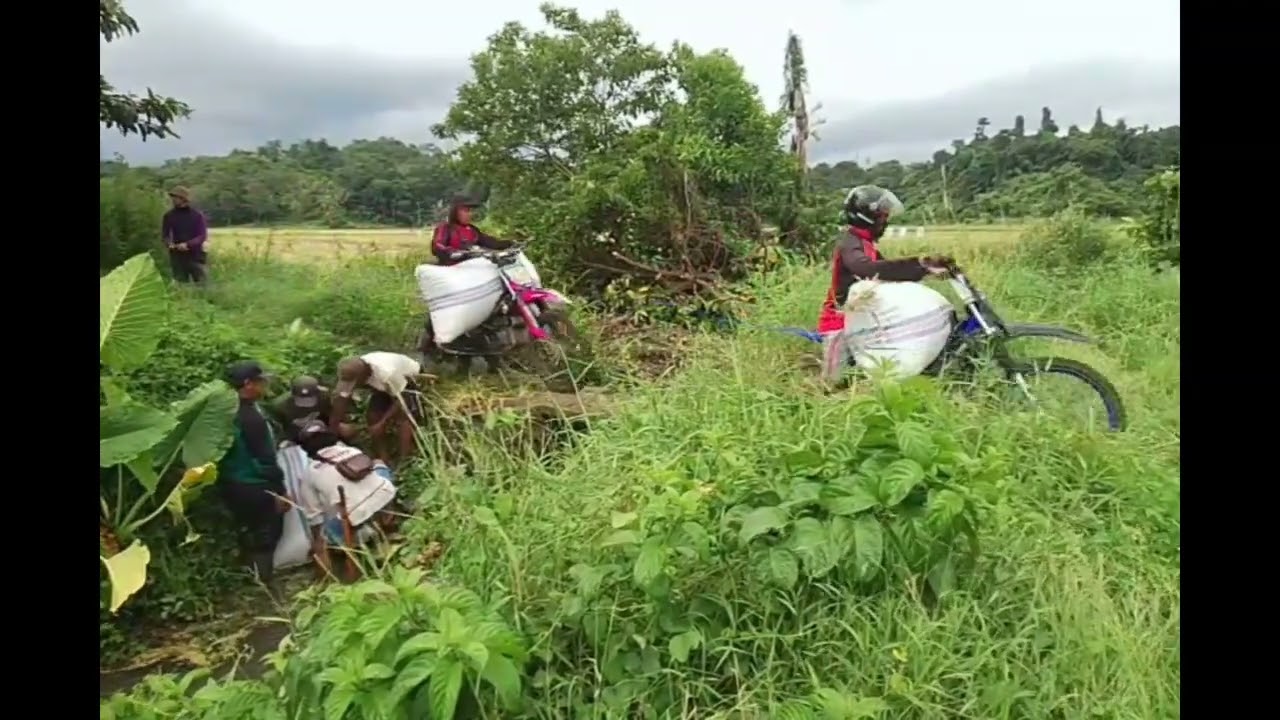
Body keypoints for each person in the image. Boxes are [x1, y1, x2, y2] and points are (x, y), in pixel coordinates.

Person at [816, 185, 953, 384]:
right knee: (833, 384)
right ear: (867, 217)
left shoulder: (867, 245)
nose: (885, 223)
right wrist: (919, 264)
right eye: (882, 217)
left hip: (865, 320)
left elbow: (888, 274)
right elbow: (866, 268)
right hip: (839, 322)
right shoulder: (850, 243)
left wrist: (925, 270)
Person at [293, 419, 400, 578]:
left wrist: (319, 541)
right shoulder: (351, 450)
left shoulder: (309, 474)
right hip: (385, 493)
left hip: (354, 516)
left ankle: (327, 579)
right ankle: (388, 519)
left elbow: (314, 517)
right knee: (378, 463)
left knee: (323, 537)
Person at [216, 361, 288, 596]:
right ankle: (265, 588)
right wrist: (279, 490)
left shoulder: (223, 411)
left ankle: (250, 579)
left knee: (247, 530)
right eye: (261, 381)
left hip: (229, 482)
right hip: (255, 485)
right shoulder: (251, 418)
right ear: (248, 384)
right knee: (267, 533)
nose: (264, 386)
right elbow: (265, 459)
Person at [331, 353, 428, 464]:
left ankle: (405, 459)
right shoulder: (353, 371)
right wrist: (336, 427)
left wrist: (383, 422)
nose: (355, 386)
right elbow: (342, 399)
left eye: (356, 383)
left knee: (403, 418)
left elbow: (402, 400)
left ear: (364, 375)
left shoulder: (387, 373)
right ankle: (383, 458)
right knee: (372, 416)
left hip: (407, 384)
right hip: (383, 387)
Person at [265, 375, 357, 445]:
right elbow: (280, 432)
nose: (306, 405)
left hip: (323, 428)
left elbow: (334, 414)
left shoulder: (325, 396)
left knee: (347, 431)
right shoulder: (279, 406)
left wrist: (339, 425)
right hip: (297, 436)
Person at [430, 194, 514, 267]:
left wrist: (510, 243)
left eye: (470, 211)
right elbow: (437, 246)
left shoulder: (472, 230)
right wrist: (452, 252)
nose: (470, 214)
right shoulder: (445, 228)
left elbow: (489, 242)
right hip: (452, 269)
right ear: (455, 212)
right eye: (466, 211)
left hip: (470, 268)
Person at [162, 186, 209, 284]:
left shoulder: (196, 215)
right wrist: (169, 243)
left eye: (176, 197)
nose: (173, 200)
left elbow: (202, 235)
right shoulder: (169, 216)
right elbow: (165, 235)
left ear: (183, 199)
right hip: (177, 255)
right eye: (172, 197)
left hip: (195, 255)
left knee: (201, 283)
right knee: (181, 285)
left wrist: (188, 244)